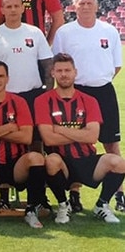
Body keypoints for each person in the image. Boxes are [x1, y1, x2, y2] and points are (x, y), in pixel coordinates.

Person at [52, 0, 123, 212]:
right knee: (76, 143)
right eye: (81, 3)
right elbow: (58, 63)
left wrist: (98, 81)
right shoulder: (65, 32)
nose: (85, 6)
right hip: (76, 93)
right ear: (73, 6)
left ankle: (119, 194)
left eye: (89, 2)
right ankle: (74, 194)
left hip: (103, 91)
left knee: (111, 143)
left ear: (96, 6)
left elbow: (116, 65)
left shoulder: (109, 31)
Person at [36, 53, 125, 224]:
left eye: (67, 70)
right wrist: (79, 133)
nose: (64, 74)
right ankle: (64, 205)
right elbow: (49, 139)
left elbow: (92, 136)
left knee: (119, 162)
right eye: (59, 70)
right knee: (51, 160)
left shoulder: (89, 100)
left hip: (87, 159)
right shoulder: (43, 101)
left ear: (75, 72)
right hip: (62, 162)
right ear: (53, 73)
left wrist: (60, 129)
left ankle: (102, 205)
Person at [0, 60, 47, 229]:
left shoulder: (19, 102)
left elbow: (26, 137)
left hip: (16, 164)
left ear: (7, 78)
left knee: (36, 157)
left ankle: (31, 210)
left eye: (1, 76)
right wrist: (9, 127)